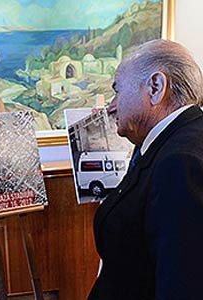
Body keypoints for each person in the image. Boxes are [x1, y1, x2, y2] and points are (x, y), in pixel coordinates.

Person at [88, 39, 203, 299]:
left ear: (155, 87)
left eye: (117, 90)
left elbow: (183, 284)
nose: (111, 106)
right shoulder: (166, 142)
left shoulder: (179, 163)